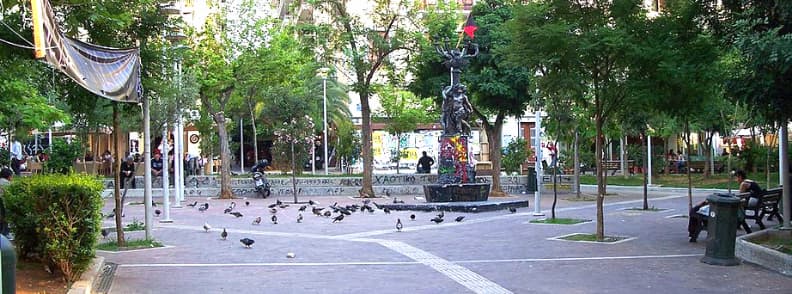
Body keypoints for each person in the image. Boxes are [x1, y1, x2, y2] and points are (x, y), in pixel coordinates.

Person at [688, 169, 761, 242]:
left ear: (739, 176)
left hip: (729, 210)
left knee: (693, 211)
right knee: (696, 210)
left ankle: (692, 233)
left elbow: (739, 197)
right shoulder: (750, 181)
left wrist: (705, 202)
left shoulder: (743, 184)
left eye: (736, 178)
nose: (736, 180)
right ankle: (693, 232)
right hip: (743, 208)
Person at [0, 168, 12, 236]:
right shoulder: (7, 183)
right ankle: (6, 233)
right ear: (8, 176)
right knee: (6, 218)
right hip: (4, 204)